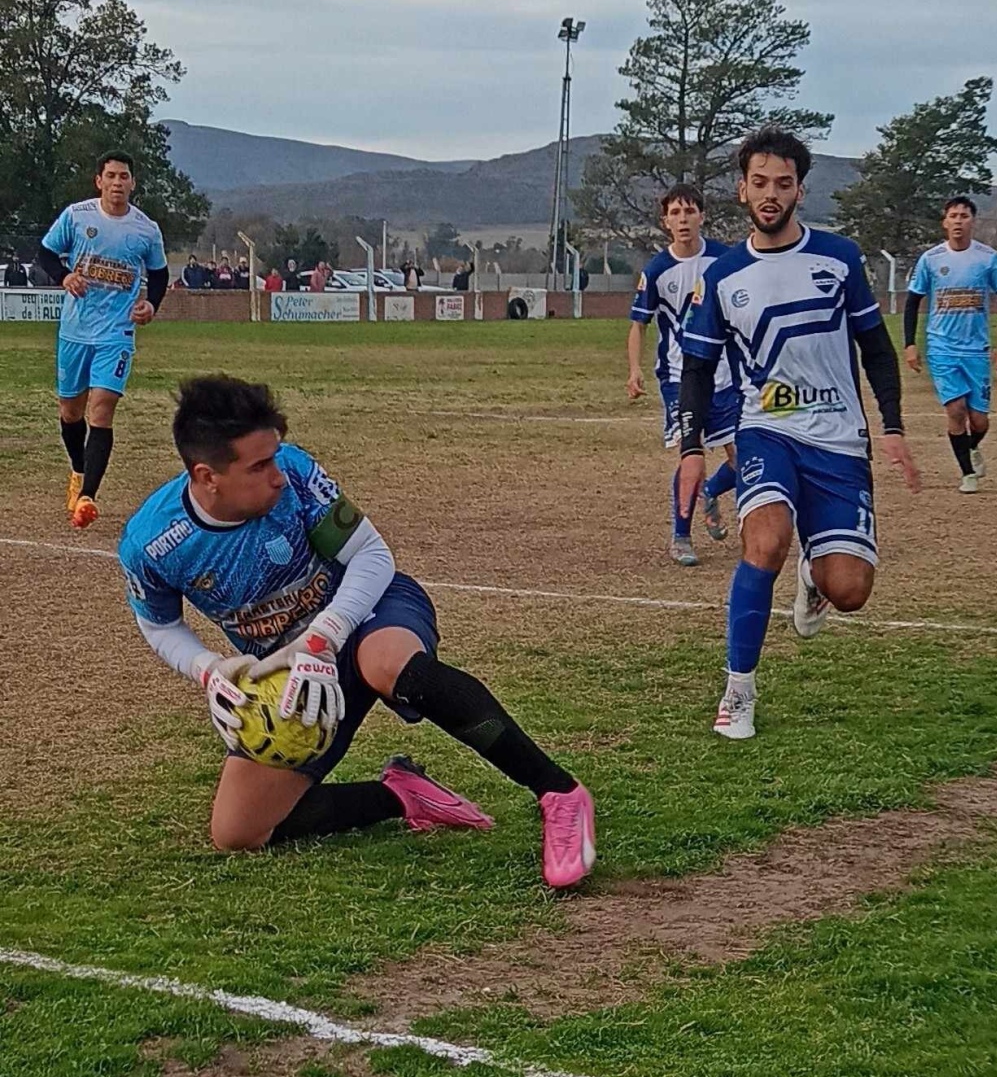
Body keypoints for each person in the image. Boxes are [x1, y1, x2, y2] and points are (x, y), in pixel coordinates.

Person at [118, 376, 596, 888]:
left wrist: (324, 635)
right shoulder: (153, 542)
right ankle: (402, 794)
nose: (277, 475)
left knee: (385, 662)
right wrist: (207, 668)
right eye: (258, 466)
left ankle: (559, 794)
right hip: (295, 671)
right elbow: (161, 623)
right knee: (239, 832)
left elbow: (372, 557)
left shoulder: (296, 476)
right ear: (207, 476)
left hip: (367, 612)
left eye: (275, 457)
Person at [677, 126, 920, 740]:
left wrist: (890, 425)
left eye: (783, 183)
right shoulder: (725, 275)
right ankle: (739, 689)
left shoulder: (839, 258)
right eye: (760, 182)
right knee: (765, 541)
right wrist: (690, 449)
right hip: (767, 431)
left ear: (799, 192)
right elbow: (699, 368)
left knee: (851, 590)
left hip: (838, 439)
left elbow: (875, 347)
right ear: (742, 190)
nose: (771, 193)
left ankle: (815, 577)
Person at [35, 150, 169, 529]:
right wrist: (64, 275)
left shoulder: (145, 229)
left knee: (103, 408)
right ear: (99, 181)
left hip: (117, 333)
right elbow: (44, 253)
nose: (117, 183)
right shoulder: (77, 217)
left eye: (124, 176)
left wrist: (151, 305)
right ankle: (78, 469)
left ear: (132, 183)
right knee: (71, 412)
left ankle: (88, 496)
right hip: (75, 331)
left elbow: (157, 275)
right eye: (110, 175)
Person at [627, 184, 740, 566]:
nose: (683, 219)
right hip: (678, 377)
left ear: (702, 217)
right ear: (665, 222)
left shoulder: (725, 260)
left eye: (689, 211)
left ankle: (710, 491)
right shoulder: (658, 270)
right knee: (690, 457)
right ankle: (681, 536)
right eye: (675, 213)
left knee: (744, 458)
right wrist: (634, 370)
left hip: (725, 375)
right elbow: (638, 324)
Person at [904, 197, 997, 494]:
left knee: (979, 420)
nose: (958, 221)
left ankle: (971, 447)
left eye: (964, 216)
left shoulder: (988, 258)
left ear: (973, 221)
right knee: (956, 410)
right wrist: (909, 343)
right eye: (953, 216)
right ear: (945, 222)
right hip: (941, 347)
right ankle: (967, 474)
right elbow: (912, 302)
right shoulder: (931, 259)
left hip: (976, 350)